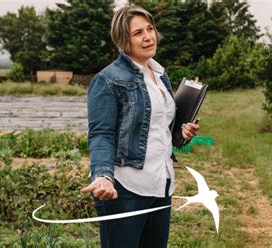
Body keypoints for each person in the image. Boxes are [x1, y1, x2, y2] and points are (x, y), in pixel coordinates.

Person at [80, 5, 199, 247]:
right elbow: (101, 134)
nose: (148, 37)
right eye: (138, 33)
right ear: (124, 41)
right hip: (126, 189)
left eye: (150, 29)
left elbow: (158, 129)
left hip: (161, 183)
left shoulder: (159, 74)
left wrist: (182, 133)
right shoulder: (107, 80)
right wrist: (103, 175)